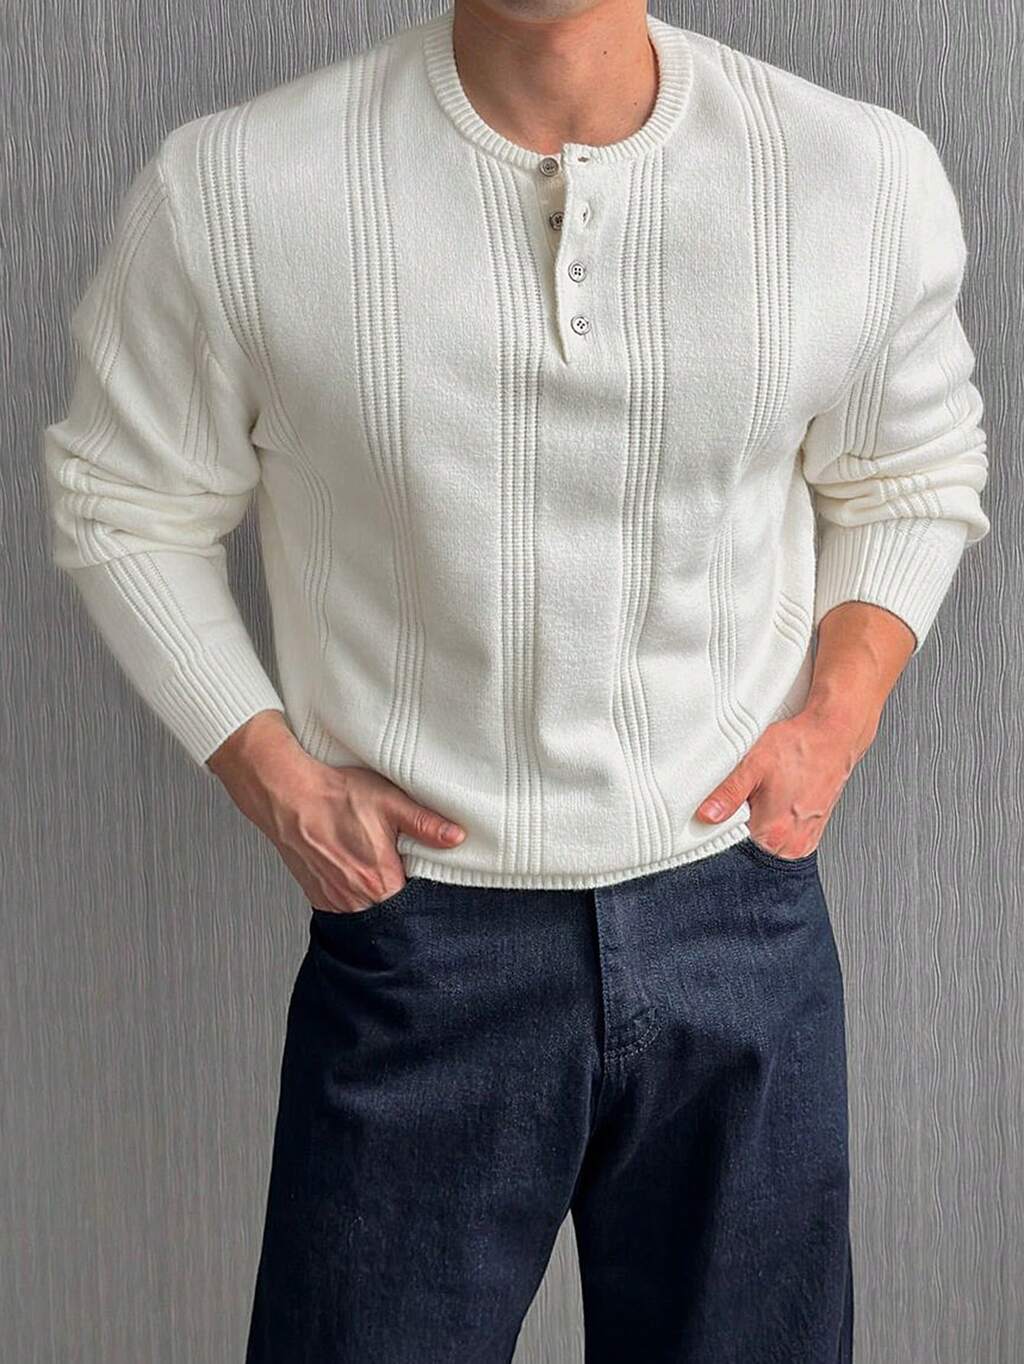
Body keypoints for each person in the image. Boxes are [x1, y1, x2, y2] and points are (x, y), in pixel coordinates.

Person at [41, 0, 989, 1359]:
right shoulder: (236, 189)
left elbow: (908, 470)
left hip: (738, 912)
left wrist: (834, 724)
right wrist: (272, 776)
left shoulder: (856, 174)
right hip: (421, 936)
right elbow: (123, 497)